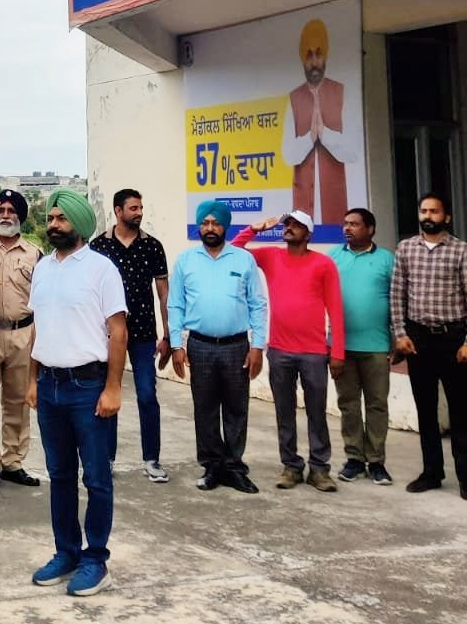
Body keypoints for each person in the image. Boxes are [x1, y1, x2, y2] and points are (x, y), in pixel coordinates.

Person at [27, 189, 126, 598]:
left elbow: (118, 331)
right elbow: (38, 326)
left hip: (89, 386)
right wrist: (32, 379)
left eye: (62, 218)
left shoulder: (102, 269)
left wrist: (113, 388)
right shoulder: (43, 268)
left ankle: (95, 560)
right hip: (49, 385)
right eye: (50, 218)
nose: (53, 224)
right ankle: (66, 552)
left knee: (97, 478)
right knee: (60, 475)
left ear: (79, 224)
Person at [234, 212, 345, 492]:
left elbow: (335, 308)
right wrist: (254, 229)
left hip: (314, 352)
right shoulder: (271, 256)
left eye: (297, 226)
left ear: (308, 234)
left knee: (317, 412)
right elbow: (234, 252)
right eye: (287, 224)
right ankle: (291, 466)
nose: (289, 228)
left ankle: (319, 469)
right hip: (280, 350)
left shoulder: (323, 264)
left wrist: (338, 352)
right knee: (284, 412)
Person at [168, 200, 266, 493]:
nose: (210, 228)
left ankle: (234, 468)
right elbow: (175, 305)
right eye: (205, 223)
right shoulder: (186, 261)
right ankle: (212, 465)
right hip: (200, 346)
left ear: (226, 226)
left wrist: (258, 346)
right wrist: (176, 344)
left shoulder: (243, 259)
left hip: (237, 346)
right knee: (205, 408)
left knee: (237, 408)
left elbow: (258, 304)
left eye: (216, 223)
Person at [90, 188, 171, 482]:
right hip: (108, 335)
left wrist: (169, 335)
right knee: (107, 393)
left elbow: (164, 294)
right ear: (118, 211)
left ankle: (152, 460)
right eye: (133, 208)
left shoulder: (152, 246)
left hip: (144, 334)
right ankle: (106, 459)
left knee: (147, 395)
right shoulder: (98, 246)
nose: (139, 213)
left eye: (140, 208)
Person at [391, 192, 467, 498]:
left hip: (453, 339)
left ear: (446, 217)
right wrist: (400, 334)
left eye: (434, 211)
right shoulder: (406, 248)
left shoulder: (461, 250)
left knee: (461, 410)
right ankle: (432, 472)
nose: (428, 216)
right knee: (425, 409)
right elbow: (397, 294)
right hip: (417, 340)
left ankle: (465, 475)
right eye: (424, 211)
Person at [0, 189, 42, 490]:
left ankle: (13, 462)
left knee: (18, 400)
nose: (5, 215)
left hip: (22, 333)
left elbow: (42, 299)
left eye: (11, 211)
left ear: (20, 217)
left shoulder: (34, 253)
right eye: (0, 210)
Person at [328, 208, 395, 485]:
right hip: (342, 347)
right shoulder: (333, 257)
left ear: (370, 229)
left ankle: (376, 461)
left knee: (377, 404)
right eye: (345, 223)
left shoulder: (386, 259)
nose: (347, 228)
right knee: (349, 404)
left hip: (377, 346)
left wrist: (397, 338)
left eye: (354, 224)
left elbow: (398, 300)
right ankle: (354, 459)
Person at [281, 18, 359, 227]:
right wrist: (309, 138)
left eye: (319, 53)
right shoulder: (293, 98)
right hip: (302, 206)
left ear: (326, 56)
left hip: (335, 202)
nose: (314, 61)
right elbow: (288, 155)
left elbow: (353, 151)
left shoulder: (342, 93)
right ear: (302, 58)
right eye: (309, 55)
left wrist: (325, 136)